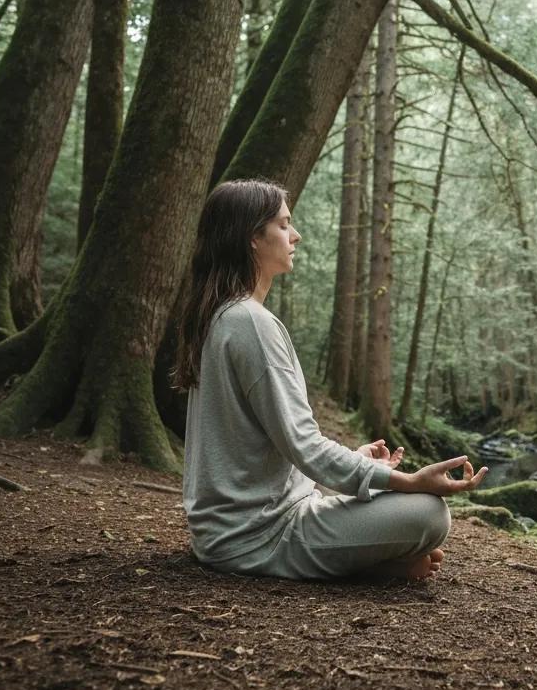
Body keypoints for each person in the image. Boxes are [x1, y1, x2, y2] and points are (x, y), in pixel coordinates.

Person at [175, 178, 487, 582]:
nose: (296, 235)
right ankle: (374, 569)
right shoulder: (250, 322)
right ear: (253, 237)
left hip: (228, 532)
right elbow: (303, 444)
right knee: (429, 514)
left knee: (395, 498)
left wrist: (357, 461)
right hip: (257, 537)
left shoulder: (221, 316)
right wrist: (406, 481)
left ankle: (381, 565)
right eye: (284, 225)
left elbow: (267, 447)